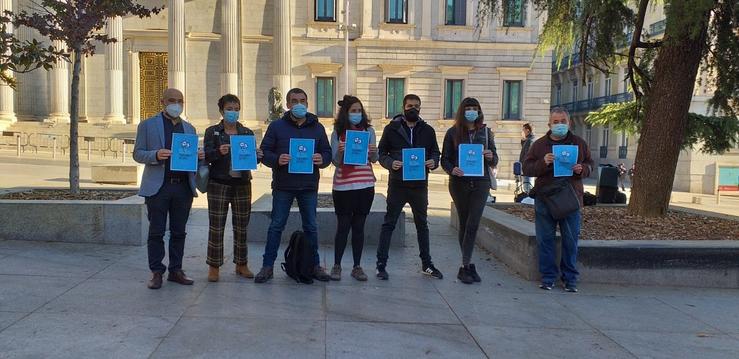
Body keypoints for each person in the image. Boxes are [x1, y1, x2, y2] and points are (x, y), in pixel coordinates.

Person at [255, 88, 333, 283]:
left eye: (302, 100)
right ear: (288, 105)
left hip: (308, 185)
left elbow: (327, 153)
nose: (299, 104)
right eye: (294, 100)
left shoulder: (317, 127)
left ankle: (314, 265)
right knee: (276, 226)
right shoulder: (276, 127)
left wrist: (321, 158)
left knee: (311, 226)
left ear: (307, 103)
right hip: (284, 185)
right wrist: (277, 159)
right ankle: (267, 266)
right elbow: (264, 152)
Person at [133, 88, 204, 290]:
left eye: (180, 101)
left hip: (182, 187)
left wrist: (199, 157)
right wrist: (156, 155)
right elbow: (138, 154)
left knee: (179, 232)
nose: (176, 104)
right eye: (172, 100)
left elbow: (193, 159)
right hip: (159, 187)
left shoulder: (189, 129)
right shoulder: (148, 125)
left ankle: (176, 270)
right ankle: (156, 271)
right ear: (162, 101)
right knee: (156, 231)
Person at [523, 107, 593, 293]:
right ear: (549, 124)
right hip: (545, 198)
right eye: (556, 122)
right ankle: (548, 278)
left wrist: (582, 169)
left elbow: (590, 165)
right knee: (545, 239)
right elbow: (527, 168)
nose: (560, 125)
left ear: (569, 123)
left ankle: (570, 279)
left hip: (570, 198)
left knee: (570, 241)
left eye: (563, 121)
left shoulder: (579, 143)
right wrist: (543, 162)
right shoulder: (538, 145)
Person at [376, 94, 443, 280]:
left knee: (422, 224)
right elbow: (382, 153)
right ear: (403, 107)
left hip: (419, 185)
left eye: (416, 106)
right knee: (389, 223)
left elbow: (435, 152)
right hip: (398, 183)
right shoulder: (392, 129)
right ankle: (381, 264)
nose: (413, 108)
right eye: (409, 105)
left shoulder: (428, 130)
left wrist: (433, 161)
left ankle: (426, 264)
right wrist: (390, 163)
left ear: (420, 108)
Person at [203, 94, 264, 282]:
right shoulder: (212, 131)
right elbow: (205, 155)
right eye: (229, 108)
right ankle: (214, 266)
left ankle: (241, 264)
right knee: (216, 225)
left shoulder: (246, 133)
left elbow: (252, 158)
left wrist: (258, 156)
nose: (233, 112)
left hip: (242, 184)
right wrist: (217, 152)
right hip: (219, 183)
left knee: (242, 226)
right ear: (221, 111)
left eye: (236, 108)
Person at [441, 97, 498, 284]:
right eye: (468, 108)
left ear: (479, 111)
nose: (472, 111)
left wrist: (490, 156)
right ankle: (467, 264)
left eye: (475, 108)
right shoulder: (452, 133)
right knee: (465, 222)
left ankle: (466, 264)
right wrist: (452, 169)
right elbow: (445, 159)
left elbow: (495, 159)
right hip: (459, 183)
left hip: (481, 183)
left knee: (473, 223)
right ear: (462, 111)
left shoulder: (486, 133)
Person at [329, 95, 378, 281]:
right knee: (342, 227)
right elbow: (334, 161)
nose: (357, 114)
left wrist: (374, 152)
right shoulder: (337, 132)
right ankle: (337, 265)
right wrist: (340, 152)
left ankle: (357, 266)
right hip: (343, 186)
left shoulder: (369, 131)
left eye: (359, 111)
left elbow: (374, 159)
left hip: (365, 185)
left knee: (359, 227)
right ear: (345, 114)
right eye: (353, 111)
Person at [519, 123, 534, 192]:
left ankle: (528, 200)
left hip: (528, 168)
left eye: (523, 130)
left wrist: (524, 165)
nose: (522, 131)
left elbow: (527, 154)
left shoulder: (530, 140)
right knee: (526, 186)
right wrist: (523, 140)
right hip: (527, 167)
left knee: (527, 187)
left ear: (527, 130)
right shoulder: (528, 140)